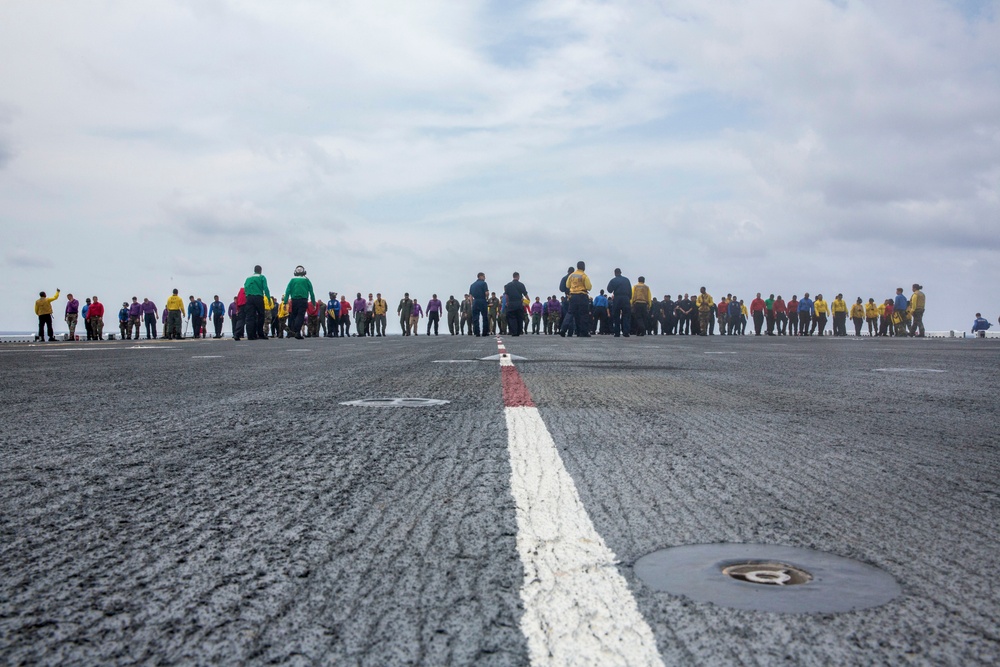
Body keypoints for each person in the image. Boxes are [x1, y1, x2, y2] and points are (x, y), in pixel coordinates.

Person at [284, 266, 316, 340]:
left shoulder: (292, 280)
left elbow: (287, 291)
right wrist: (313, 303)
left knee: (295, 316)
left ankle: (294, 331)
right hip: (303, 300)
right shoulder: (307, 280)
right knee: (300, 316)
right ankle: (297, 332)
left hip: (294, 300)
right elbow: (311, 292)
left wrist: (285, 302)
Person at [243, 265, 272, 341]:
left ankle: (250, 335)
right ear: (260, 270)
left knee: (250, 316)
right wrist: (268, 298)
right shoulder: (262, 277)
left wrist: (247, 296)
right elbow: (265, 288)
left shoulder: (248, 278)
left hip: (249, 298)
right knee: (261, 315)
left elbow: (245, 287)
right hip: (258, 297)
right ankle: (260, 333)